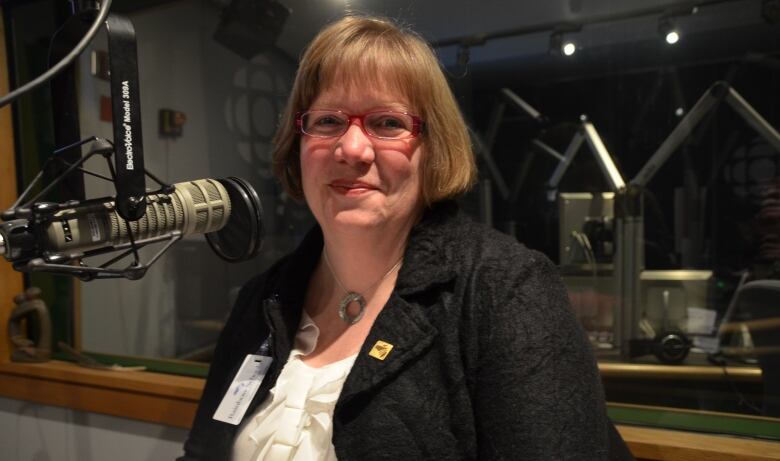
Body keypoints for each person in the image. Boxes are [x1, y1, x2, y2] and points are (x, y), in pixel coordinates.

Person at [180, 15, 615, 461]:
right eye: (328, 120)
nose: (351, 149)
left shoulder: (505, 290)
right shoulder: (261, 300)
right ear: (297, 144)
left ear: (434, 149)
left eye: (387, 123)